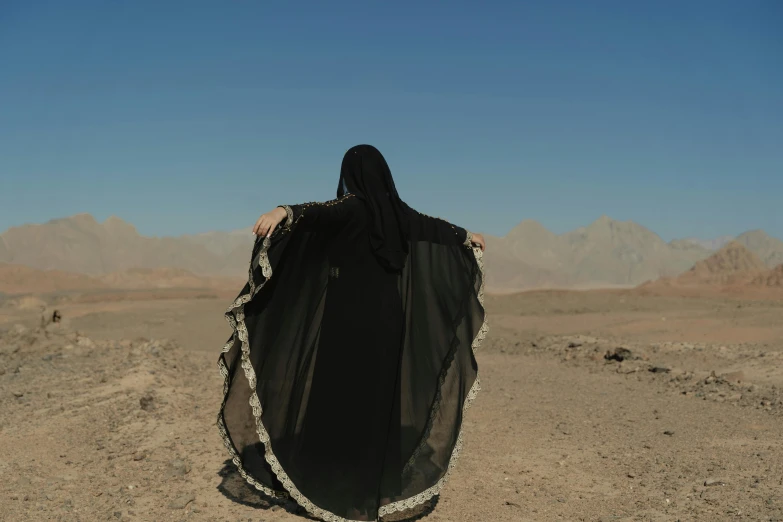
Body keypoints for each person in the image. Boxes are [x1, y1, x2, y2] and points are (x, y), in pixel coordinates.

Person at [217, 145, 488, 522]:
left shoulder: (352, 207)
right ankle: (373, 477)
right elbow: (434, 226)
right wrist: (465, 235)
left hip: (347, 319)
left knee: (340, 392)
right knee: (376, 393)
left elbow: (317, 212)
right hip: (387, 320)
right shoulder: (401, 215)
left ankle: (335, 476)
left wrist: (283, 211)